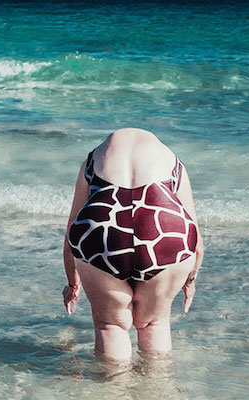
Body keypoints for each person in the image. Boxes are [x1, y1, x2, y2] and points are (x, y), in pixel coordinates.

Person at [62, 128, 204, 362]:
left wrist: (72, 283)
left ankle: (113, 390)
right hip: (163, 230)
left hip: (103, 228)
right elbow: (196, 243)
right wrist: (190, 280)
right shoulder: (172, 161)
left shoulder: (93, 159)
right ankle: (156, 390)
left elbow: (70, 238)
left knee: (111, 325)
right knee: (153, 323)